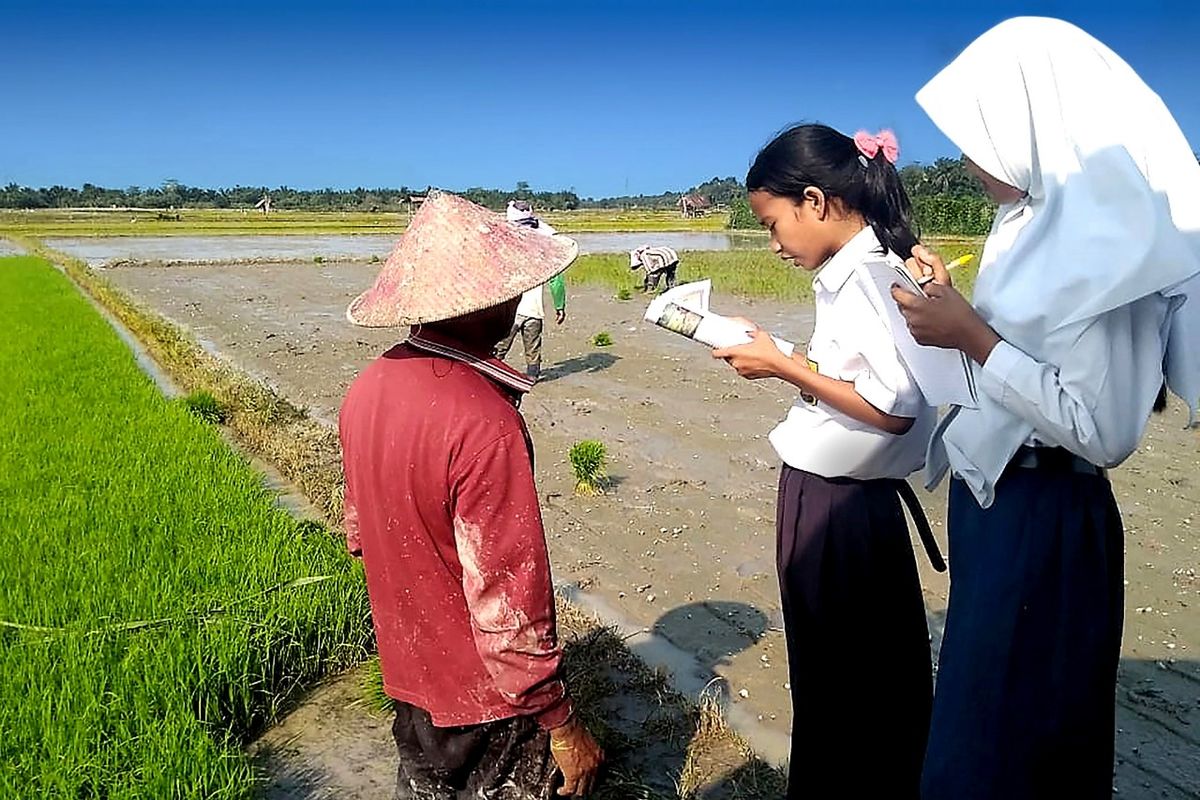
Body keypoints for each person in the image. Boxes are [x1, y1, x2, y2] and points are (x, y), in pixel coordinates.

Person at [889, 18, 1200, 800]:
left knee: (1001, 755)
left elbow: (1104, 429)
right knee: (988, 733)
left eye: (975, 136)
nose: (964, 160)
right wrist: (956, 315)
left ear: (1028, 121)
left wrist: (974, 334)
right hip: (995, 503)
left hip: (1048, 511)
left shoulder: (1110, 244)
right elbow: (1013, 360)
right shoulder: (1026, 222)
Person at [340, 192, 604, 799]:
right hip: (485, 698)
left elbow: (360, 534)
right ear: (493, 301)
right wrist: (558, 720)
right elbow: (508, 602)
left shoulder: (367, 389)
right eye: (510, 292)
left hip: (408, 671)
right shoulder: (485, 422)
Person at [711, 124, 945, 798]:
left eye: (772, 222)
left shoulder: (866, 276)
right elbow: (866, 379)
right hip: (850, 502)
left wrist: (784, 366)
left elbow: (894, 404)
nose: (774, 243)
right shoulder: (862, 268)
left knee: (846, 689)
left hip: (839, 507)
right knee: (862, 682)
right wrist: (787, 356)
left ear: (814, 200)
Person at [495, 200, 567, 381]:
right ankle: (532, 379)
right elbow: (556, 280)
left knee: (499, 348)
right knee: (533, 349)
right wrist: (560, 306)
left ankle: (491, 377)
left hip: (509, 310)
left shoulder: (506, 251)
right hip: (534, 311)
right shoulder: (542, 252)